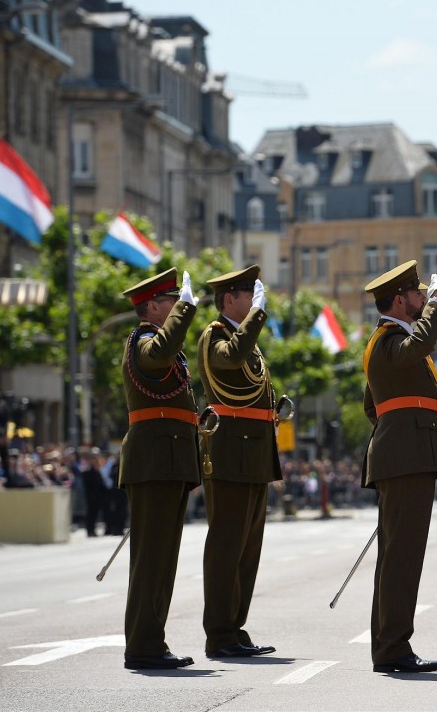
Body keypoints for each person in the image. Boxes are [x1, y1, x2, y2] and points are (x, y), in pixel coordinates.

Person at [360, 260, 437, 674]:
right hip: (406, 457)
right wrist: (436, 307)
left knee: (399, 556)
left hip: (406, 454)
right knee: (402, 557)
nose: (421, 298)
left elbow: (370, 405)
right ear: (400, 299)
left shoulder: (389, 343)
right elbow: (420, 347)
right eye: (416, 293)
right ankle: (394, 648)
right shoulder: (390, 340)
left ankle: (390, 645)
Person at [117, 267, 201, 671]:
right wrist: (185, 311)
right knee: (152, 559)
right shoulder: (145, 340)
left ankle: (152, 641)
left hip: (168, 460)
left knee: (162, 559)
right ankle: (143, 646)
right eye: (172, 301)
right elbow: (159, 356)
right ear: (153, 306)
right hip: (154, 461)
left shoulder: (161, 345)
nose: (177, 307)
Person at [196, 265, 281, 660]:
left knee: (248, 548)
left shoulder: (245, 340)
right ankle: (218, 633)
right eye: (249, 296)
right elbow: (230, 361)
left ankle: (235, 625)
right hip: (230, 451)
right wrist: (258, 317)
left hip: (254, 450)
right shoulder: (216, 336)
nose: (255, 303)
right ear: (230, 299)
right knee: (227, 545)